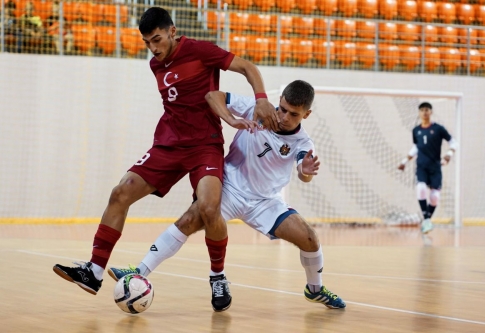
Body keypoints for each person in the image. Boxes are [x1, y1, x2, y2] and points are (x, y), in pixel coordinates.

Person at [53, 7, 278, 312]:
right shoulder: (155, 65)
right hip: (168, 145)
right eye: (147, 42)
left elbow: (248, 67)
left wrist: (261, 97)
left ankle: (218, 276)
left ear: (172, 32)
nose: (153, 48)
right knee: (120, 193)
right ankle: (93, 271)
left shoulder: (201, 51)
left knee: (210, 208)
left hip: (205, 146)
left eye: (157, 39)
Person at [109, 80, 347, 310]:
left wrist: (305, 172)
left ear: (306, 114)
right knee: (188, 221)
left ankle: (315, 290)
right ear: (279, 101)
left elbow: (303, 171)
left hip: (266, 203)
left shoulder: (303, 142)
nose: (284, 117)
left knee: (309, 238)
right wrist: (233, 119)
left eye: (293, 114)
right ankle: (139, 271)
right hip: (230, 188)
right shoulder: (257, 109)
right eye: (283, 109)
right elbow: (214, 96)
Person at [398, 102, 458, 233]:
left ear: (431, 112)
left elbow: (453, 142)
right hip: (422, 166)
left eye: (427, 110)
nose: (424, 112)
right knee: (420, 188)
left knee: (435, 197)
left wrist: (448, 154)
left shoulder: (438, 129)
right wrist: (404, 161)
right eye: (422, 110)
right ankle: (426, 219)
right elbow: (416, 147)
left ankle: (427, 220)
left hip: (435, 167)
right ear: (419, 113)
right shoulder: (416, 130)